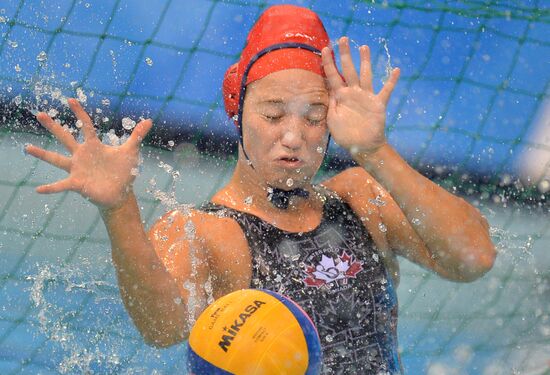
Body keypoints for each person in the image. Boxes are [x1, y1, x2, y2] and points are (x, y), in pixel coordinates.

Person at [24, 4, 496, 374]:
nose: (293, 135)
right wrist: (119, 209)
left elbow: (473, 259)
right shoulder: (204, 230)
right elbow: (160, 328)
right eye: (272, 115)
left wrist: (375, 151)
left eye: (313, 117)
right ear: (239, 111)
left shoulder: (358, 195)